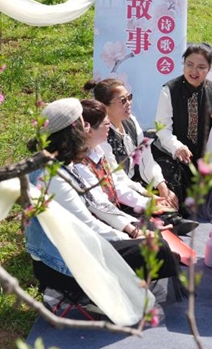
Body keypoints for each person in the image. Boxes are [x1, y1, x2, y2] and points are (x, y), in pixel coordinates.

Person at [24, 98, 183, 309]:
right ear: (72, 132)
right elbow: (87, 226)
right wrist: (130, 236)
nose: (88, 128)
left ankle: (122, 289)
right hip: (60, 265)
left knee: (150, 231)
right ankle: (96, 294)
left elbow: (97, 203)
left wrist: (135, 230)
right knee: (156, 248)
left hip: (71, 249)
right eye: (84, 124)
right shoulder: (53, 177)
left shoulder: (60, 164)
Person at [85, 78, 198, 236]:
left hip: (136, 177)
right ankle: (168, 219)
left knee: (169, 168)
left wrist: (161, 185)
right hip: (122, 184)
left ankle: (171, 214)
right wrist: (148, 195)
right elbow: (116, 179)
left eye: (129, 98)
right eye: (122, 101)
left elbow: (146, 157)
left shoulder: (131, 121)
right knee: (132, 203)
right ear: (105, 106)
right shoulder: (102, 135)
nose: (128, 103)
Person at [153, 43, 212, 208]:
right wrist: (177, 147)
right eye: (190, 65)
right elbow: (162, 128)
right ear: (184, 64)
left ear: (209, 68)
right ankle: (173, 218)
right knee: (172, 183)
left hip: (202, 157)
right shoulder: (169, 89)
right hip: (172, 155)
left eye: (201, 67)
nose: (194, 71)